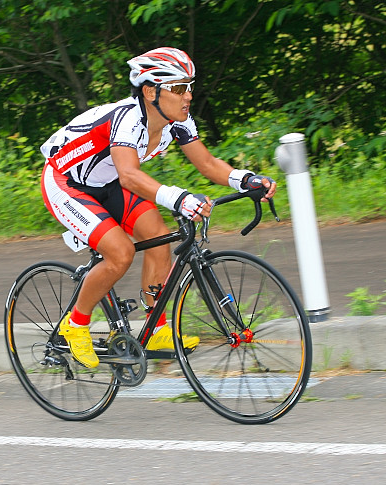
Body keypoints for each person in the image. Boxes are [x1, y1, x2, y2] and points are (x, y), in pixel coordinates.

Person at [40, 47, 276, 368]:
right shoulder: (127, 119)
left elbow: (206, 163)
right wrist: (177, 197)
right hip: (67, 181)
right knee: (120, 253)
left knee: (160, 237)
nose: (188, 95)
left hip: (107, 182)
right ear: (151, 91)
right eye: (179, 88)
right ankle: (76, 324)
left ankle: (156, 329)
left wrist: (245, 179)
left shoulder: (178, 121)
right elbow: (130, 175)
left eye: (189, 87)